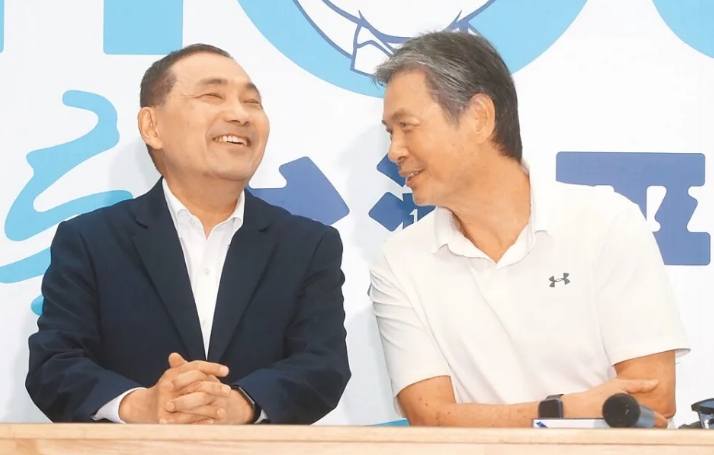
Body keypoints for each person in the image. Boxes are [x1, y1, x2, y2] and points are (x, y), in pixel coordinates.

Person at [368, 31, 690, 428]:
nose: (395, 151)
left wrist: (505, 421)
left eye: (407, 126)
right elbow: (429, 417)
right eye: (391, 132)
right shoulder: (398, 261)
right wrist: (565, 409)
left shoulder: (605, 222)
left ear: (479, 117)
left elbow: (650, 400)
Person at [25, 43, 351, 425]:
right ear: (152, 126)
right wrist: (141, 405)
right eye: (212, 96)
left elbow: (322, 366)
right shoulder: (90, 240)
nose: (239, 114)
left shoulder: (308, 245)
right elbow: (55, 364)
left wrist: (239, 404)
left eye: (252, 102)